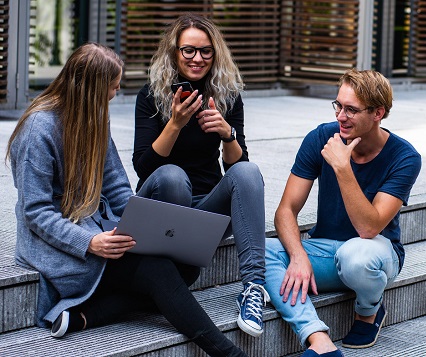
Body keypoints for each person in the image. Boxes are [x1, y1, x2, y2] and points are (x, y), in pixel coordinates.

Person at [6, 43, 247, 356]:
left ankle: (89, 315)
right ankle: (228, 353)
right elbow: (36, 213)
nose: (116, 93)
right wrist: (89, 243)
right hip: (57, 245)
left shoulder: (94, 118)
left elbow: (117, 187)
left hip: (98, 229)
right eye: (113, 86)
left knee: (186, 268)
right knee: (158, 271)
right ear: (92, 88)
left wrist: (141, 225)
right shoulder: (38, 130)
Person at [264, 69, 422, 357]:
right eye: (338, 105)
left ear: (378, 113)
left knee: (356, 256)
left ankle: (368, 311)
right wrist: (298, 257)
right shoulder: (322, 136)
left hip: (376, 254)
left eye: (351, 109)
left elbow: (369, 229)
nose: (341, 116)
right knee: (262, 249)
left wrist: (342, 167)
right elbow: (285, 210)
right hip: (326, 249)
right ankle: (318, 339)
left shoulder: (405, 158)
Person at [133, 14, 269, 337]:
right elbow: (143, 167)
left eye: (206, 51)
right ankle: (170, 274)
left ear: (216, 53)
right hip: (162, 204)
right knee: (173, 177)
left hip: (204, 212)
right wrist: (175, 123)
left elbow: (238, 169)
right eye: (189, 51)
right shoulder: (151, 95)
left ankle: (253, 289)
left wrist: (227, 134)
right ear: (174, 52)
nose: (197, 59)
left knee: (248, 173)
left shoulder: (227, 95)